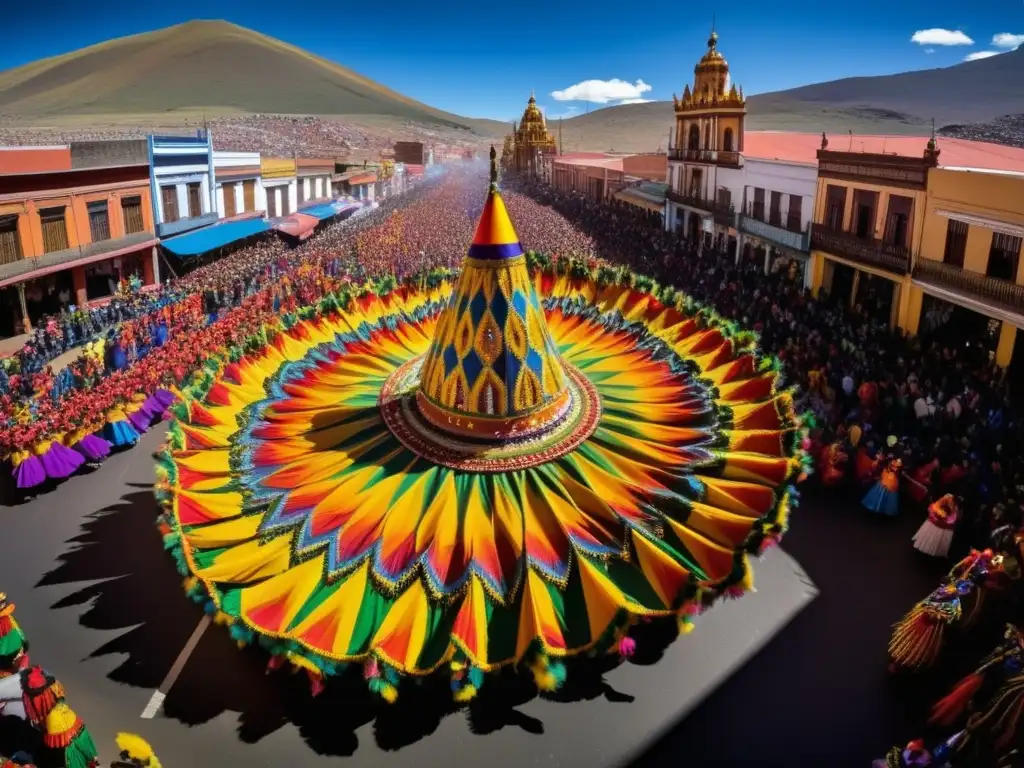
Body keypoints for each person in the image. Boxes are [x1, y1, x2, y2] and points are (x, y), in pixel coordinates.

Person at [864, 453, 903, 517]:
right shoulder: (890, 460)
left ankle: (880, 510)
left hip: (890, 480)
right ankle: (877, 509)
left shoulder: (897, 462)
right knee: (880, 492)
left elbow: (897, 470)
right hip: (886, 478)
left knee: (884, 493)